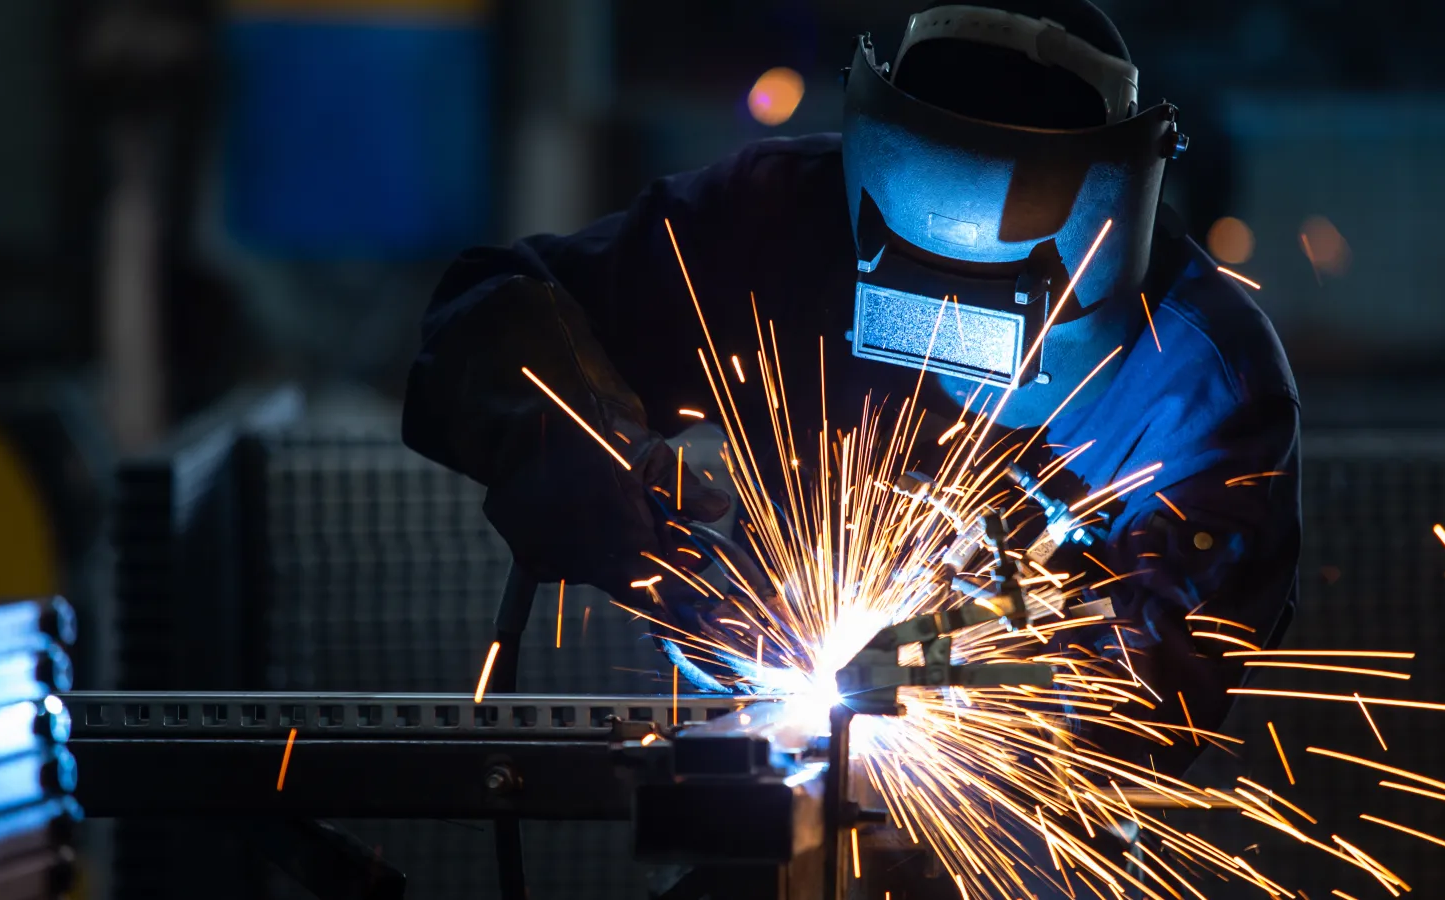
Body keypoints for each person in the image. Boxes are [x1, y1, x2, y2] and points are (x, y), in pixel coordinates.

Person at [403, 0, 1299, 783]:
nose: (948, 346)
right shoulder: (773, 221)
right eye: (912, 299)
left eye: (989, 308)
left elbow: (1151, 695)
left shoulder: (1201, 382)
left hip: (1012, 837)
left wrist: (966, 674)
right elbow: (490, 311)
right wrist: (592, 461)